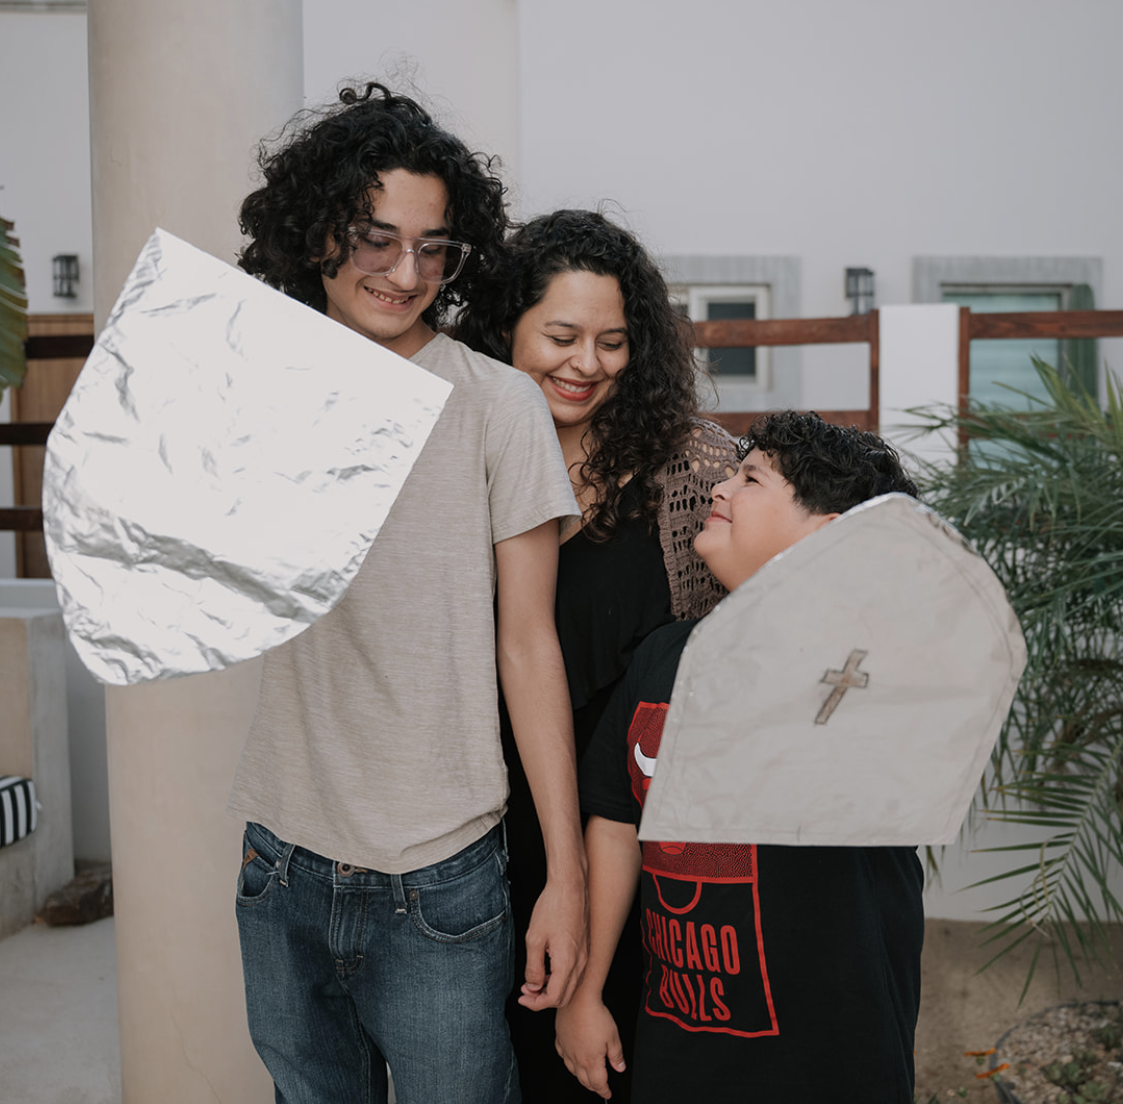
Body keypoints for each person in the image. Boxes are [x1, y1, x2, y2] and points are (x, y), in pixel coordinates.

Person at [226, 83, 587, 1104]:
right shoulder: (260, 387)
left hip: (440, 877)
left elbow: (529, 646)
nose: (406, 271)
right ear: (315, 232)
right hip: (280, 858)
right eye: (375, 238)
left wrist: (564, 877)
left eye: (434, 247)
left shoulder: (496, 406)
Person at [558, 411, 925, 1103]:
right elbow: (613, 823)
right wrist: (586, 992)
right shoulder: (662, 657)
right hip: (677, 1046)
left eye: (751, 479)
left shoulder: (864, 672)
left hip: (830, 1061)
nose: (721, 488)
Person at [459, 210, 737, 1102]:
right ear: (506, 328)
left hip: (640, 845)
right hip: (485, 834)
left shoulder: (694, 470)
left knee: (623, 1071)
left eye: (613, 342)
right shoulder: (459, 459)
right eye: (562, 336)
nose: (587, 364)